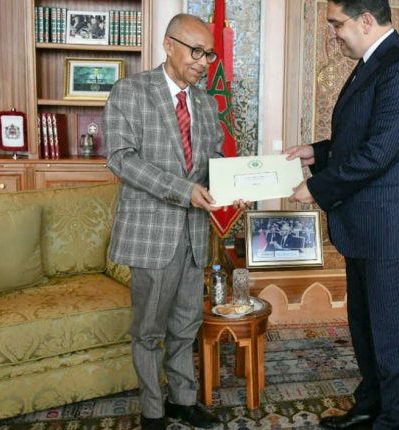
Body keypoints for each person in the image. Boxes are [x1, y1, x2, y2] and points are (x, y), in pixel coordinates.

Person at [286, 1, 399, 428]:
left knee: (390, 335)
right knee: (366, 329)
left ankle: (394, 420)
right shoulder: (375, 63)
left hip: (390, 230)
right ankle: (370, 407)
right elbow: (360, 139)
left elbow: (378, 154)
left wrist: (316, 188)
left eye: (337, 24)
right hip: (366, 226)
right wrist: (317, 152)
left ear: (366, 20)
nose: (333, 33)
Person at [103, 14, 245, 430]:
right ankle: (152, 411)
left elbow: (213, 160)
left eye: (209, 55)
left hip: (195, 233)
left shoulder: (206, 102)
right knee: (149, 331)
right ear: (168, 45)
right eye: (195, 52)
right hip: (151, 234)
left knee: (186, 325)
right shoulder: (130, 92)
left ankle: (183, 401)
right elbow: (121, 159)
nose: (203, 62)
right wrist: (184, 191)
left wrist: (233, 184)